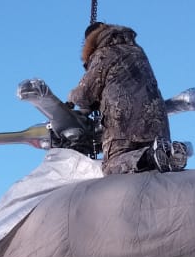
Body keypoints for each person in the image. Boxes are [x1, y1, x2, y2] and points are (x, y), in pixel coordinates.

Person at [68, 23, 173, 175]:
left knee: (112, 167)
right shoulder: (137, 51)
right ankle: (168, 153)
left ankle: (150, 155)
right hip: (158, 124)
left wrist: (70, 98)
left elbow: (83, 95)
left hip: (123, 124)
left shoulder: (103, 54)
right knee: (155, 170)